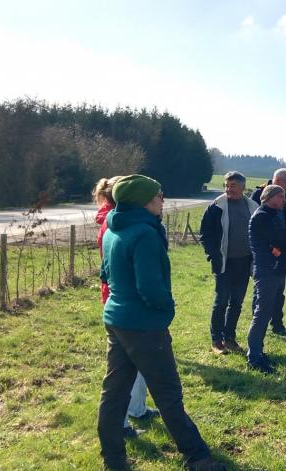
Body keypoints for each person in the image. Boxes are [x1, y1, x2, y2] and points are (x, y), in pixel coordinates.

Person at [97, 175, 225, 471]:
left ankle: (113, 460)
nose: (162, 199)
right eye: (158, 195)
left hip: (116, 319)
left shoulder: (114, 226)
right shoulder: (144, 233)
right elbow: (150, 288)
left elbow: (105, 274)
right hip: (143, 326)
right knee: (168, 393)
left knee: (114, 394)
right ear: (142, 200)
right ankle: (198, 457)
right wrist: (166, 308)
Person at [92, 177, 160, 440]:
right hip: (125, 304)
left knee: (136, 365)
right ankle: (119, 425)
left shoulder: (121, 221)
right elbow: (109, 270)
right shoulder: (115, 224)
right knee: (121, 371)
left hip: (126, 302)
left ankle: (137, 408)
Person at [199, 171, 259, 354]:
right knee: (221, 301)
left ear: (243, 187)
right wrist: (213, 255)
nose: (228, 189)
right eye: (226, 185)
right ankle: (216, 341)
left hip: (244, 262)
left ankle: (229, 338)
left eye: (233, 185)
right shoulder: (216, 207)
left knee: (237, 303)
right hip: (224, 262)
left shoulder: (252, 206)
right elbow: (205, 234)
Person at [247, 185, 286, 374]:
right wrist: (279, 245)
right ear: (270, 197)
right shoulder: (262, 216)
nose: (285, 200)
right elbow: (283, 239)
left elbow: (284, 240)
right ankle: (254, 357)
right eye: (282, 196)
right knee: (262, 314)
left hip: (274, 269)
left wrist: (280, 245)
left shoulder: (272, 215)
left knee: (265, 312)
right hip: (267, 270)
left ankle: (258, 351)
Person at [251, 168, 286, 335]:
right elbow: (256, 226)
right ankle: (257, 324)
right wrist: (271, 247)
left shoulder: (283, 199)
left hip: (282, 251)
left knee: (279, 291)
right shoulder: (259, 195)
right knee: (261, 292)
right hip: (265, 254)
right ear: (277, 180)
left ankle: (277, 323)